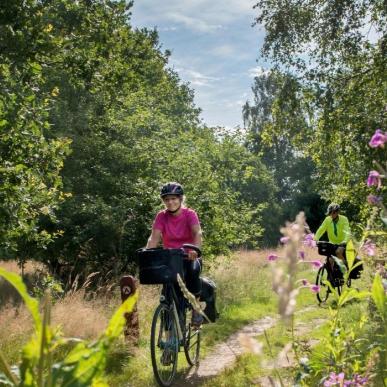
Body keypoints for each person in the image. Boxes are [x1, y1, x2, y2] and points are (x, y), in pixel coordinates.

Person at [146, 182, 203, 327]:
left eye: (173, 198)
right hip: (170, 258)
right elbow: (154, 238)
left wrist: (195, 249)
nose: (170, 202)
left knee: (193, 270)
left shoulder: (190, 214)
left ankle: (196, 307)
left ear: (180, 199)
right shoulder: (161, 216)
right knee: (167, 293)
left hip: (188, 256)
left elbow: (197, 233)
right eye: (167, 199)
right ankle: (170, 332)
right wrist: (147, 255)